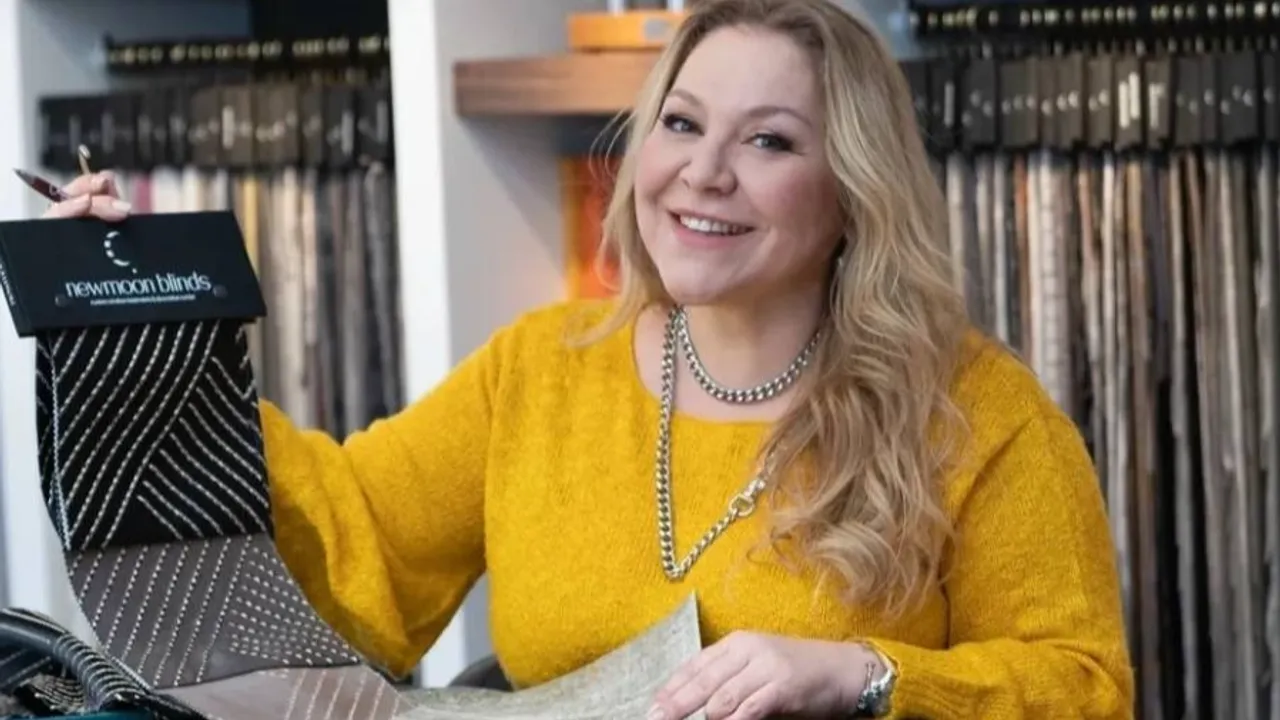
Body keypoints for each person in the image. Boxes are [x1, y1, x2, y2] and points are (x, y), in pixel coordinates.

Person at [43, 0, 1134, 717]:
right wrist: (146, 323)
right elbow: (345, 545)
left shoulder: (978, 413)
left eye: (768, 140)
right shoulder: (540, 370)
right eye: (681, 124)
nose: (703, 173)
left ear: (853, 191)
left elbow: (1084, 689)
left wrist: (861, 675)